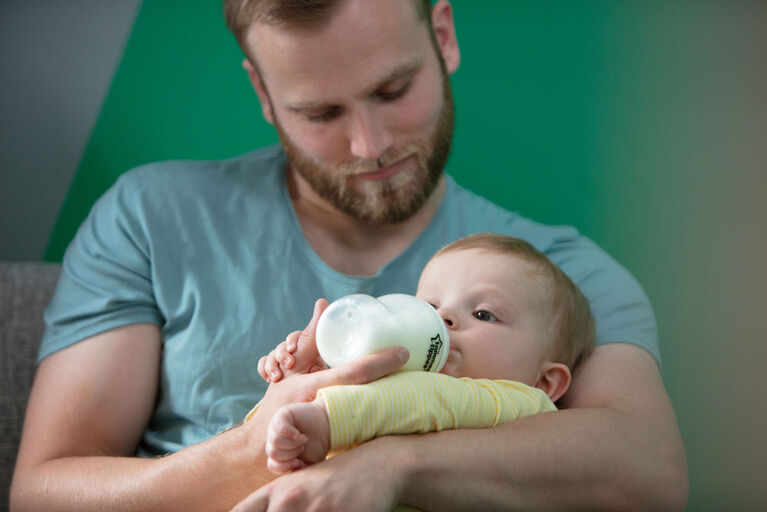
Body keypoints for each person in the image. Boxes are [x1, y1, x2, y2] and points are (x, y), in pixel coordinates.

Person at [10, 1, 688, 510]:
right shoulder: (153, 216)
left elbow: (648, 471)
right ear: (263, 95)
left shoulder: (555, 276)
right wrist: (262, 442)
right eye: (320, 113)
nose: (369, 145)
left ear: (443, 36)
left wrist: (393, 463)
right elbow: (43, 493)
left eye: (392, 91)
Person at [258, 234, 596, 475]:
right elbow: (270, 440)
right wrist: (308, 381)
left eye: (483, 314)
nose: (443, 317)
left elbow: (419, 399)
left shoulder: (523, 404)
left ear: (546, 381)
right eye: (430, 305)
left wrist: (323, 419)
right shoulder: (392, 385)